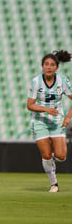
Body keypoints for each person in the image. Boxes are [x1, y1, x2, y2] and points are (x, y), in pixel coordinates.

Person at [27, 50, 72, 192]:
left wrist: (68, 117)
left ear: (56, 67)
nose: (49, 67)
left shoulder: (62, 81)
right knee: (45, 155)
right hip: (39, 122)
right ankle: (54, 184)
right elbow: (30, 105)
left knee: (61, 156)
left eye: (52, 64)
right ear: (42, 66)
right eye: (46, 64)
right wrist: (46, 110)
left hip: (57, 121)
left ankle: (51, 161)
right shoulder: (36, 81)